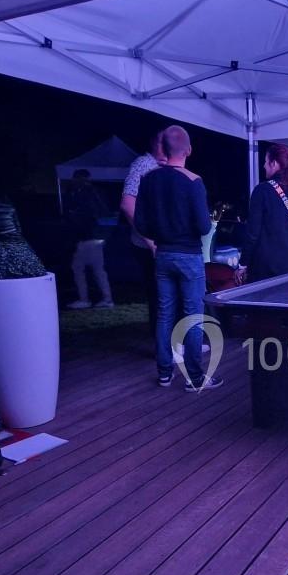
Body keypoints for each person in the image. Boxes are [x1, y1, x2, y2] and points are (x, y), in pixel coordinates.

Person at [133, 125, 220, 391]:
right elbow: (204, 227)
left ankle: (164, 373)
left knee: (164, 314)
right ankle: (194, 378)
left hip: (163, 254)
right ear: (188, 150)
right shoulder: (193, 181)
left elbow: (141, 223)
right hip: (189, 255)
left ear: (164, 149)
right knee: (192, 315)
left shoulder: (148, 180)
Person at [241, 143, 288, 280]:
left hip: (266, 270)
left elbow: (252, 233)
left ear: (274, 163)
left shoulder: (262, 190)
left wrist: (243, 264)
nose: (264, 166)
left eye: (266, 162)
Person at [121, 133, 165, 334]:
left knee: (170, 295)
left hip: (164, 244)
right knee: (159, 295)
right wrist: (150, 242)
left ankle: (178, 342)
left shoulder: (163, 167)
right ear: (156, 143)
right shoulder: (142, 164)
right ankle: (164, 347)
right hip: (149, 246)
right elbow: (128, 205)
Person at [63, 169, 114, 309]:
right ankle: (104, 299)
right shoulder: (95, 192)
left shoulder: (85, 193)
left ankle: (89, 299)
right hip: (94, 237)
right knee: (94, 269)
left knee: (81, 268)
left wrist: (75, 215)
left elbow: (88, 214)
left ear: (78, 178)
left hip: (89, 237)